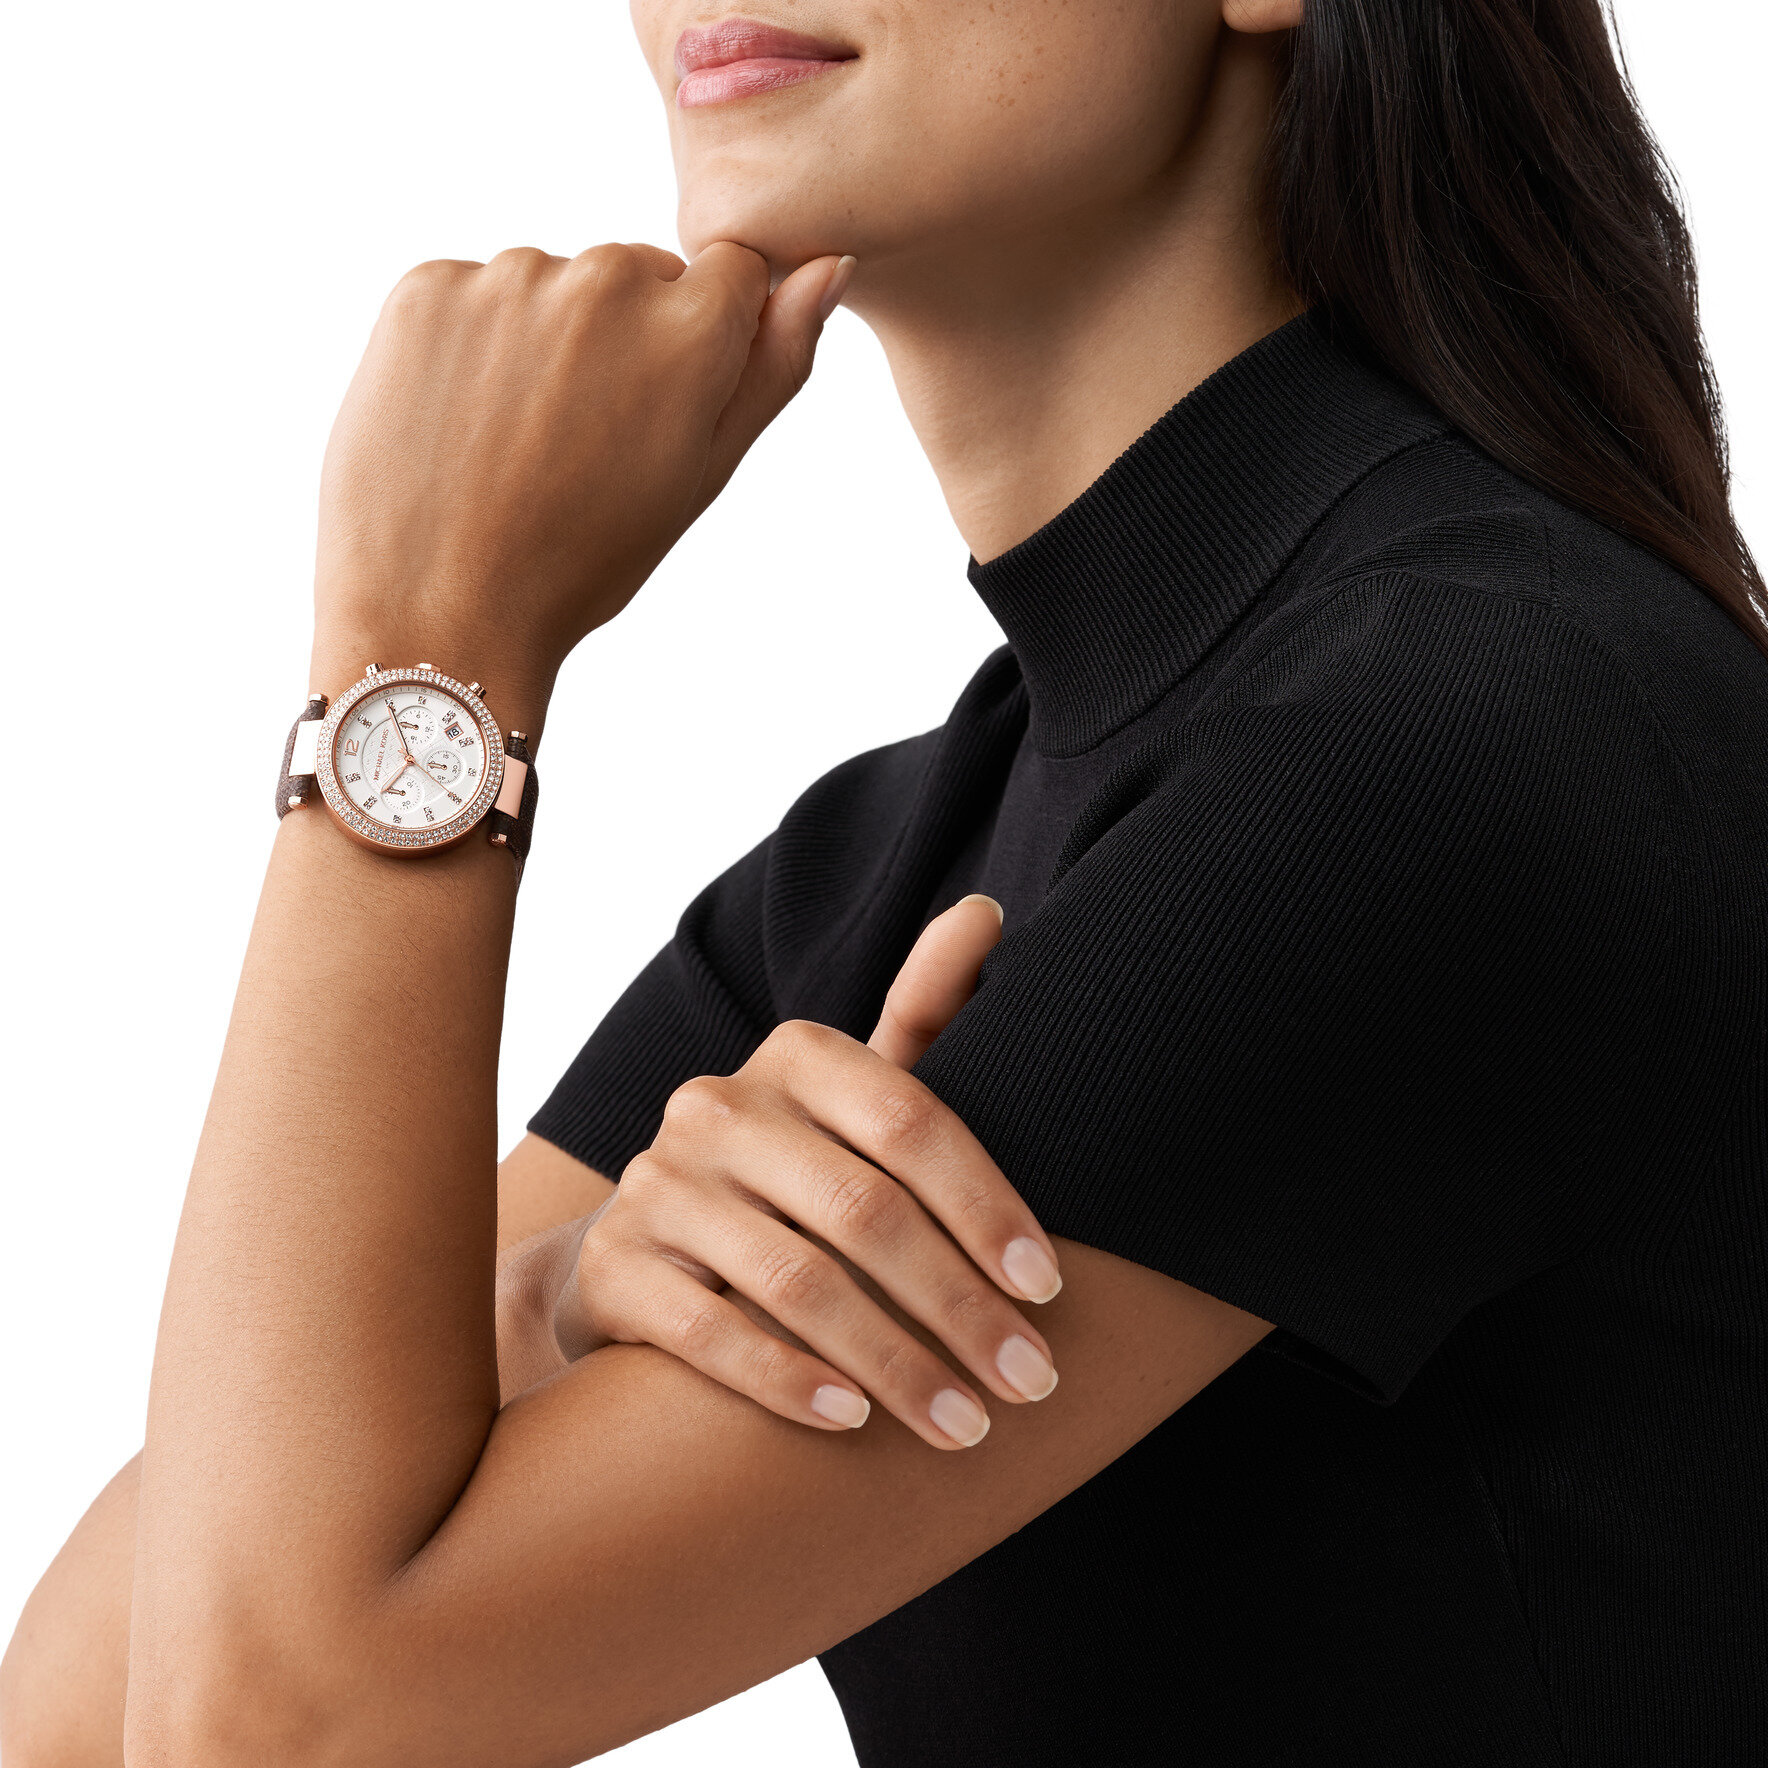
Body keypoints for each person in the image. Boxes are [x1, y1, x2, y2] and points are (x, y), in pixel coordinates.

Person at [5, 0, 1767, 1762]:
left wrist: (426, 647)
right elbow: (92, 1713)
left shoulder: (1461, 742)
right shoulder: (879, 871)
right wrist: (561, 1295)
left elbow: (258, 1726)